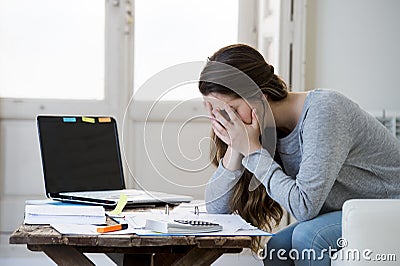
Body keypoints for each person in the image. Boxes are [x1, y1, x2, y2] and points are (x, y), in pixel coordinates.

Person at [198, 43, 400, 265]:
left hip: (390, 209)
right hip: (354, 211)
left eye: (232, 111)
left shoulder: (324, 111)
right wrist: (237, 146)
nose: (228, 121)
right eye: (218, 113)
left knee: (309, 237)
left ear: (260, 97)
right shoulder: (260, 129)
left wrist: (253, 151)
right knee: (276, 248)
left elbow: (304, 207)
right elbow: (216, 209)